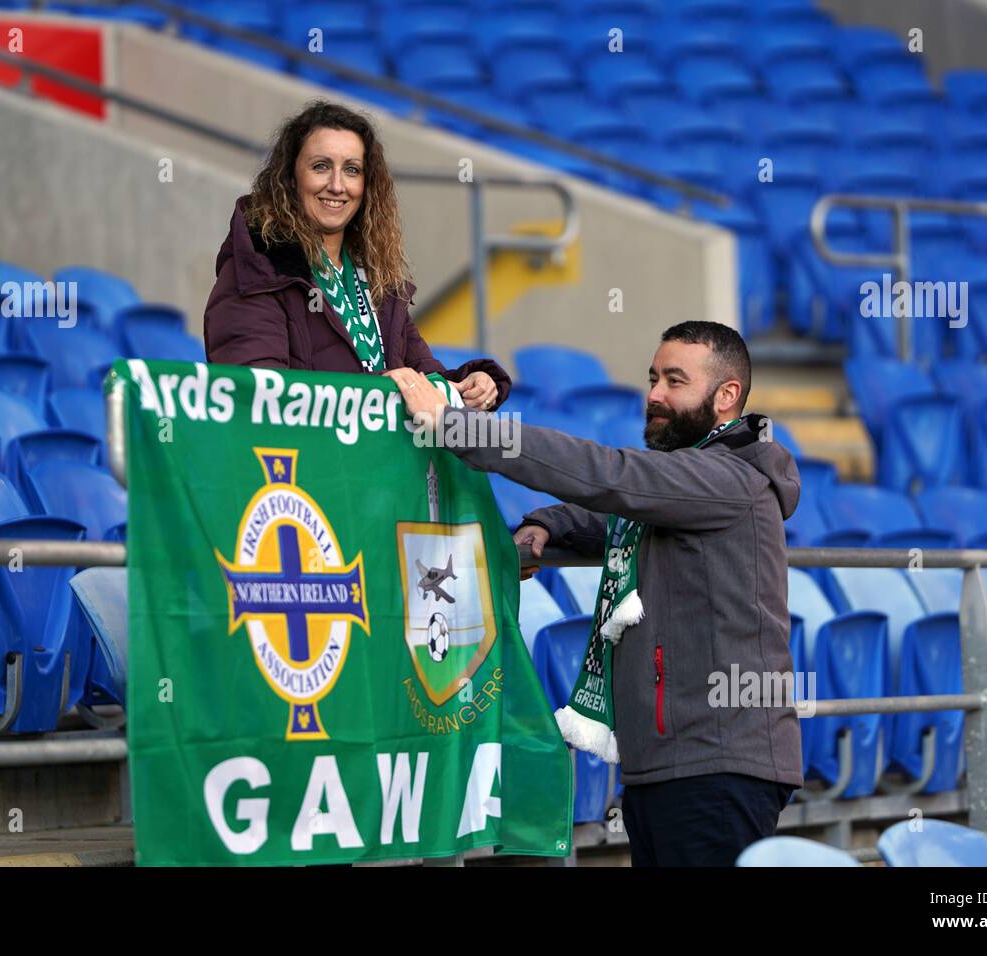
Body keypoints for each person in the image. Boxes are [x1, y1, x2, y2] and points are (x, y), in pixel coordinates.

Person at [390, 321, 803, 867]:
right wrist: (549, 526)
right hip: (669, 764)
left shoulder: (732, 478)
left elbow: (612, 477)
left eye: (674, 381)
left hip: (716, 769)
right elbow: (617, 509)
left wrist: (458, 427)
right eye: (653, 377)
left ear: (726, 396)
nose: (654, 394)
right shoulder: (698, 477)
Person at [203, 100, 509, 410]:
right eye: (320, 166)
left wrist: (473, 385)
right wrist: (376, 392)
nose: (337, 186)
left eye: (352, 170)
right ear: (291, 179)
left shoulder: (377, 282)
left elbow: (424, 377)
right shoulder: (259, 272)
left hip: (378, 458)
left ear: (367, 185)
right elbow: (258, 401)